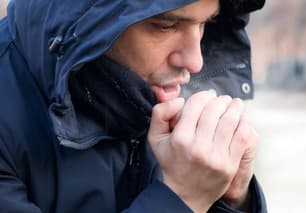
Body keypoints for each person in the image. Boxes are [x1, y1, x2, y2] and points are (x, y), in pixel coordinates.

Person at [0, 0, 266, 212]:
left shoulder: (155, 91)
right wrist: (181, 198)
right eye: (166, 25)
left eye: (205, 24)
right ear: (88, 19)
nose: (195, 62)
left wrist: (232, 199)